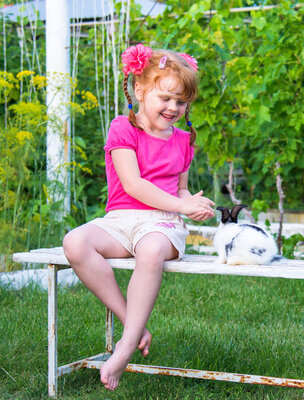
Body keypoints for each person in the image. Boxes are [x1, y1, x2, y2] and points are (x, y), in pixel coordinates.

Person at [62, 44, 215, 391]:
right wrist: (183, 205)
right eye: (166, 98)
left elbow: (179, 192)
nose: (174, 107)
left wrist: (194, 204)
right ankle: (132, 322)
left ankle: (126, 345)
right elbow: (132, 184)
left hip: (161, 224)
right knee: (75, 242)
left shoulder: (183, 140)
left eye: (181, 101)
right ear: (141, 90)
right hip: (120, 219)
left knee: (150, 251)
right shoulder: (123, 128)